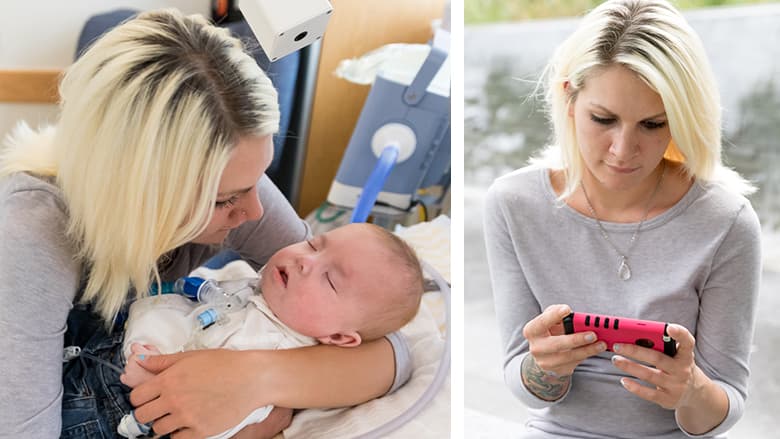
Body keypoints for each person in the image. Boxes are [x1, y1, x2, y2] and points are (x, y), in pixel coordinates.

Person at [0, 9, 414, 439]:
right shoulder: (33, 236)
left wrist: (253, 378)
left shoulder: (234, 177)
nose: (254, 213)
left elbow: (385, 345)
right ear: (134, 191)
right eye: (223, 201)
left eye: (259, 181)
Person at [483, 1, 761, 438]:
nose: (622, 149)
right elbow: (527, 387)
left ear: (681, 120)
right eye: (603, 119)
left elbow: (725, 405)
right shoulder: (513, 203)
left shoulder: (726, 222)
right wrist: (543, 367)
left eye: (653, 124)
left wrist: (690, 390)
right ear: (569, 98)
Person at [59, 222, 423, 438]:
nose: (304, 261)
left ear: (341, 337)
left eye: (329, 279)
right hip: (107, 334)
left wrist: (149, 347)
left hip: (107, 395)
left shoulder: (271, 340)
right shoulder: (260, 290)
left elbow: (212, 415)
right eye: (314, 244)